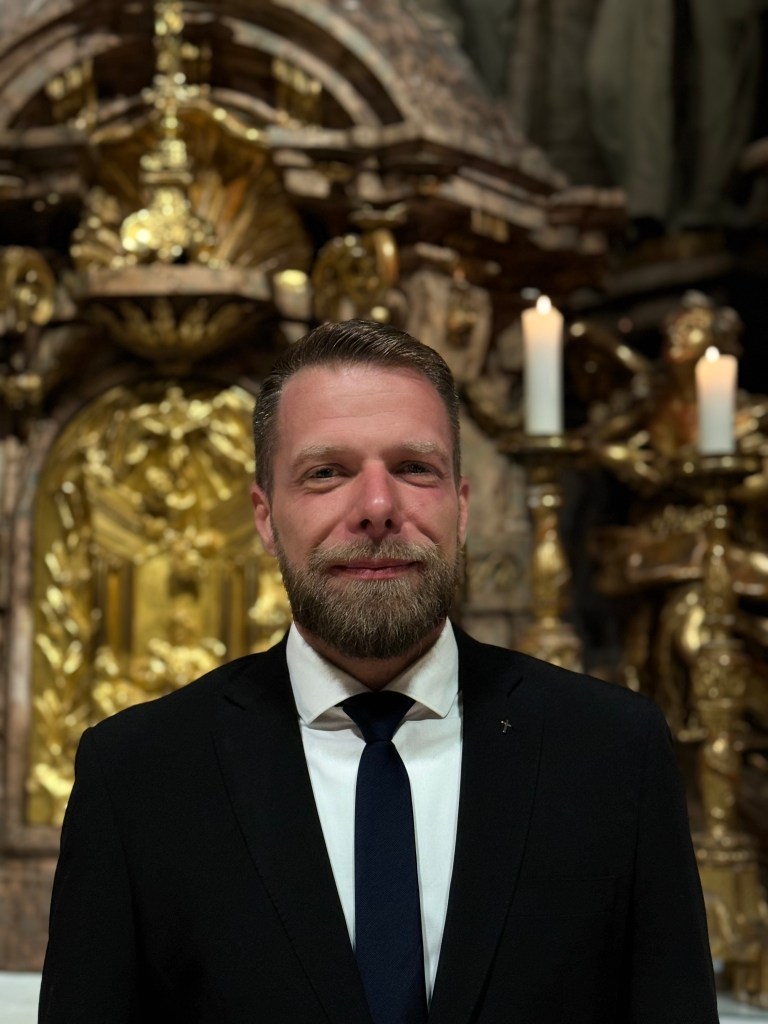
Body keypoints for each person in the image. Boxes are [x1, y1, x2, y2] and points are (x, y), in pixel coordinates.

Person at [39, 319, 718, 1023]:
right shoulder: (138, 774)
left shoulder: (613, 751)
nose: (376, 508)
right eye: (326, 473)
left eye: (414, 468)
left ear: (460, 507)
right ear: (265, 517)